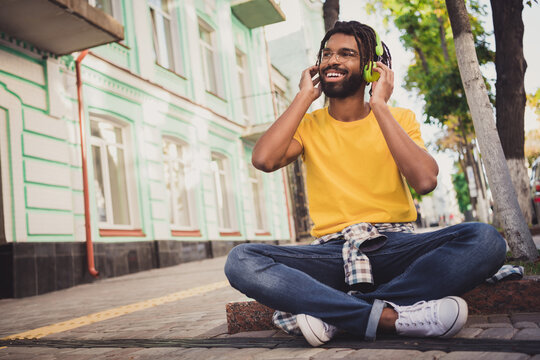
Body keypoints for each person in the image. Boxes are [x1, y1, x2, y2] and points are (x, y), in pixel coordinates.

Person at [225, 21, 506, 347]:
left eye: (346, 54)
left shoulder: (399, 118)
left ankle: (336, 314)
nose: (333, 61)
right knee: (241, 260)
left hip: (396, 248)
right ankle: (390, 316)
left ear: (372, 67)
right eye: (327, 54)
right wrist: (304, 97)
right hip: (332, 255)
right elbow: (263, 159)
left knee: (485, 240)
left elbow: (425, 180)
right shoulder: (307, 126)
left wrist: (380, 105)